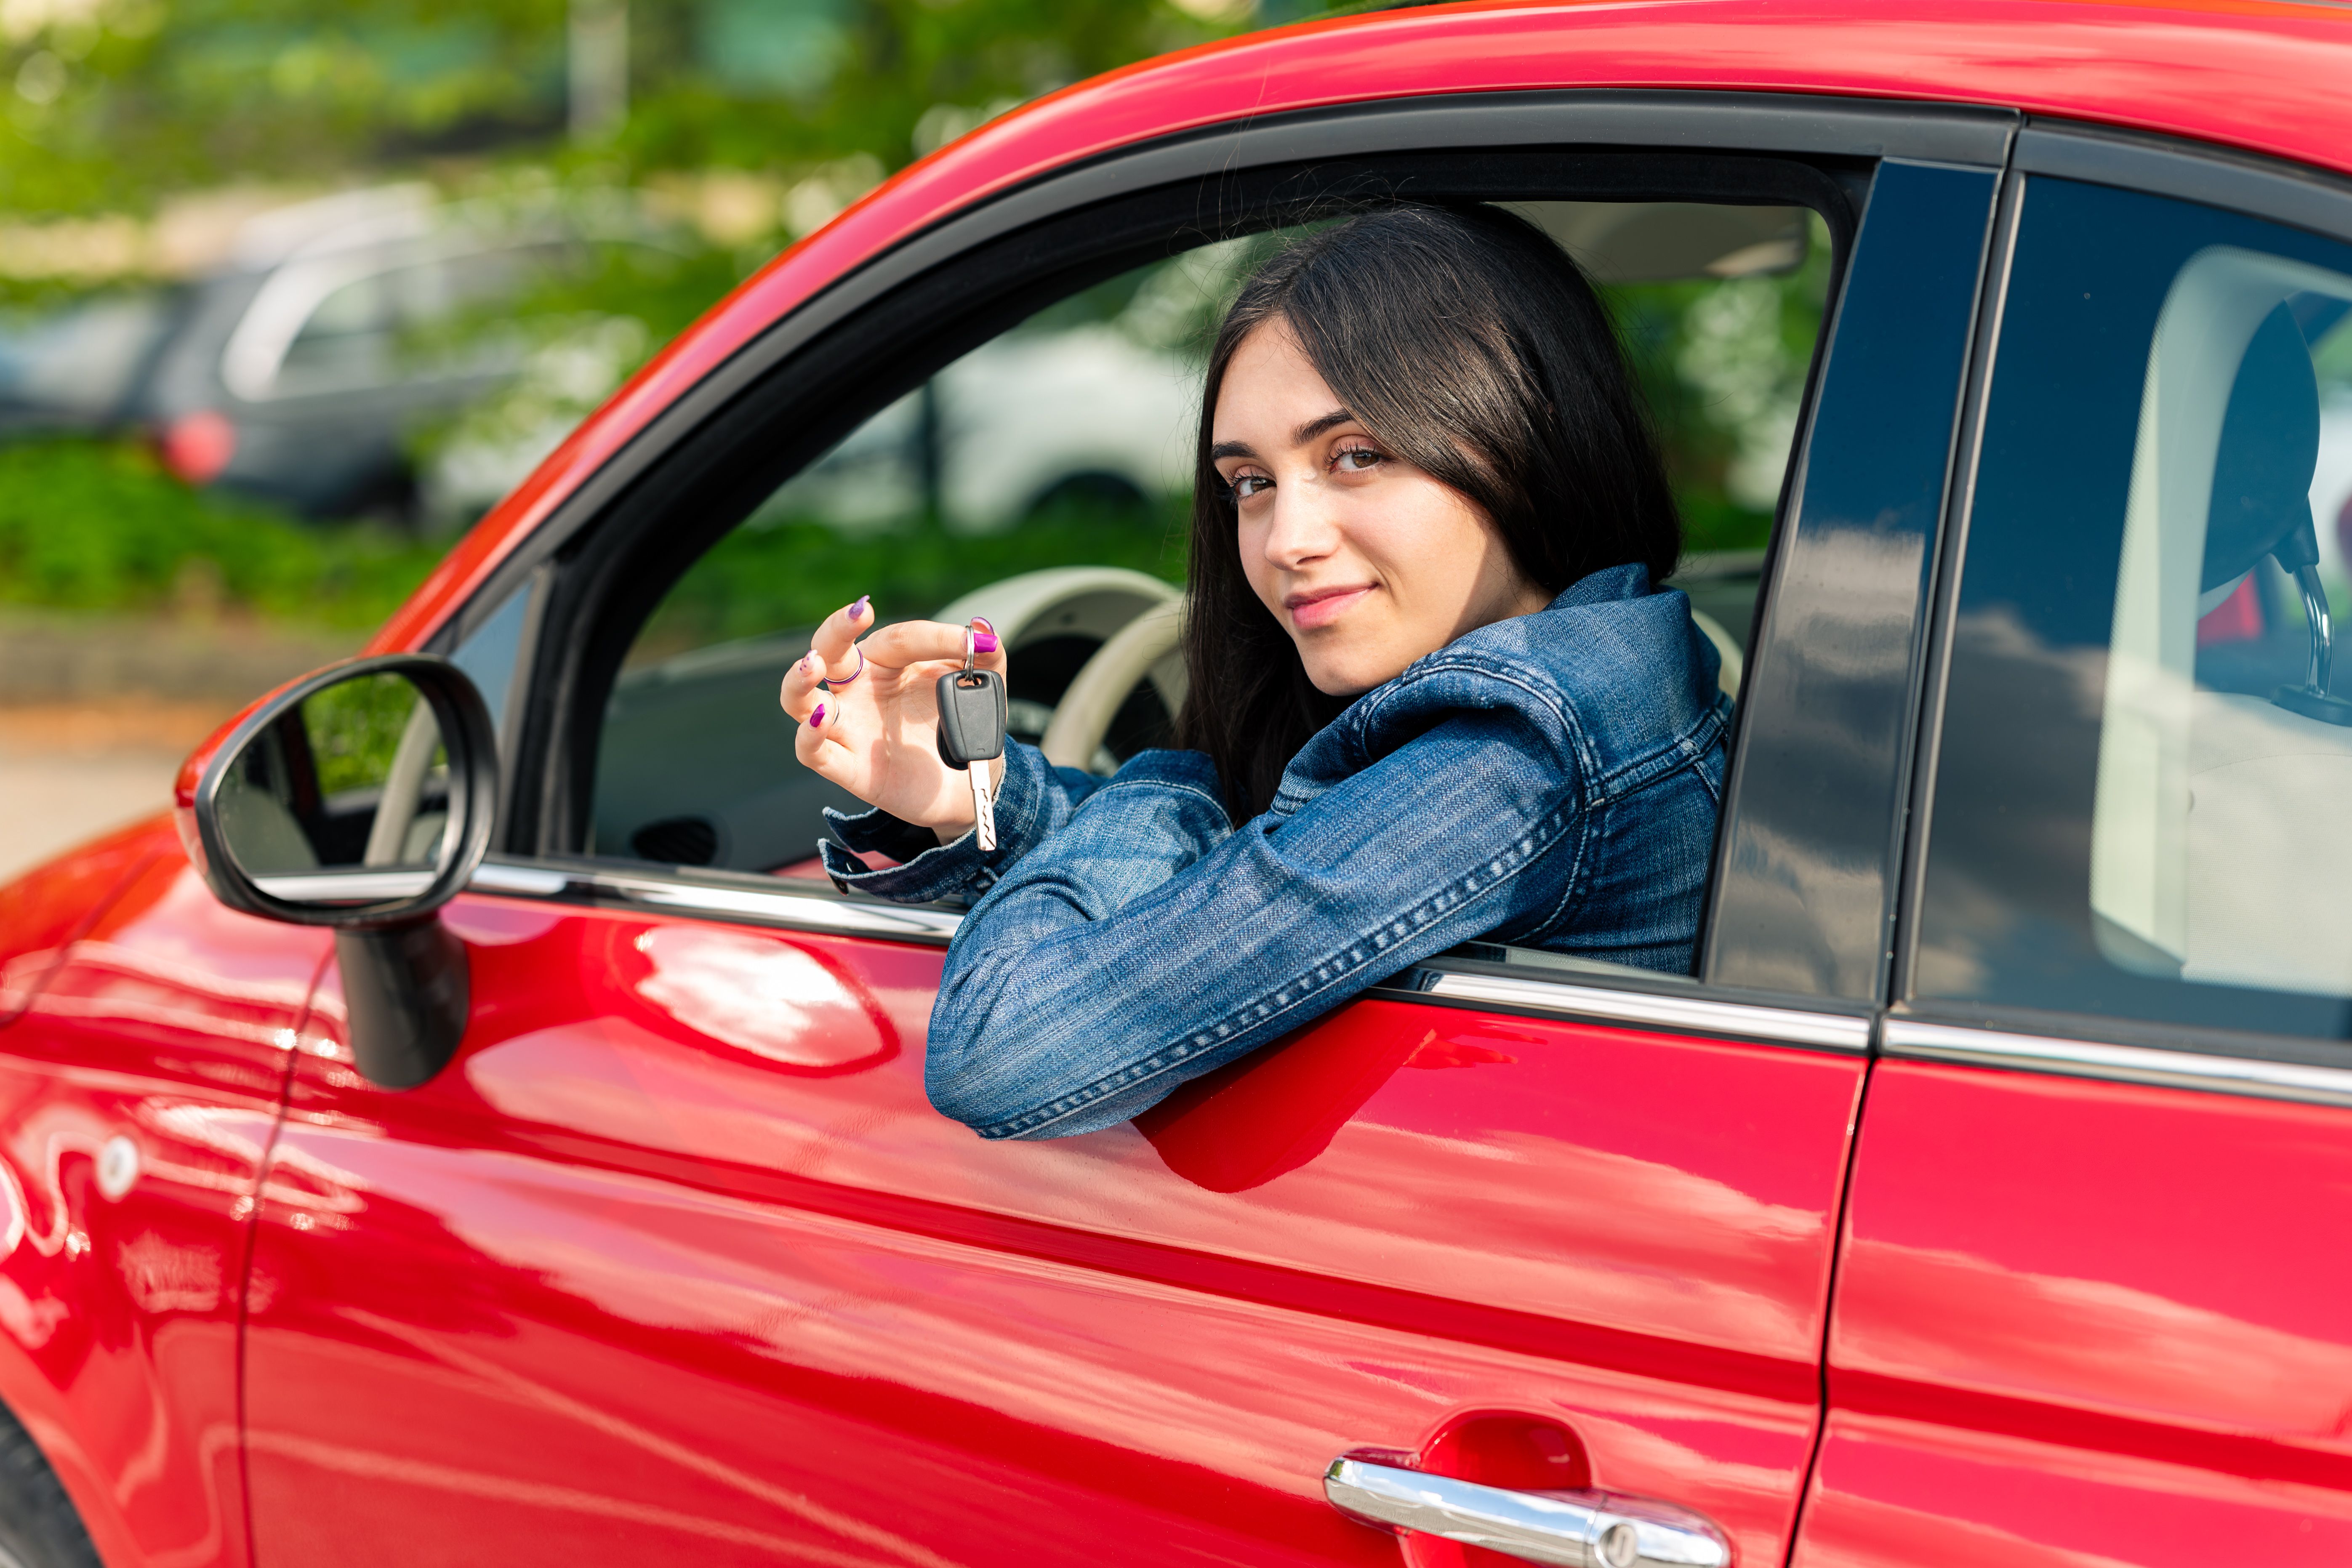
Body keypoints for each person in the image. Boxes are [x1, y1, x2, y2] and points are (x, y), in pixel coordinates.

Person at [778, 204, 1726, 1140]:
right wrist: (978, 795)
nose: (1285, 542)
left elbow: (1001, 1046)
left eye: (1357, 456)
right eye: (1251, 483)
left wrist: (1167, 785)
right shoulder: (1616, 662)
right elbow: (1252, 885)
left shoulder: (1519, 751)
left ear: (1524, 435)